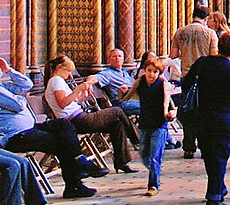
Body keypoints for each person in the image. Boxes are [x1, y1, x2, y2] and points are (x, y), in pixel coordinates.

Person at [0, 57, 102, 200]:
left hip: (31, 127)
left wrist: (8, 70)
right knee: (61, 142)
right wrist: (22, 99)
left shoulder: (4, 87)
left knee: (63, 125)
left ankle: (79, 161)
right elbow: (18, 105)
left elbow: (27, 85)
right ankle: (75, 182)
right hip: (16, 135)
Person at [181, 29, 230, 205]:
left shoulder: (202, 63)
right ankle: (214, 196)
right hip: (224, 115)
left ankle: (218, 187)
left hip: (202, 114)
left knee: (209, 154)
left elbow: (186, 82)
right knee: (220, 154)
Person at [43, 57, 138, 175]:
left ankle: (121, 162)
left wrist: (81, 96)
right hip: (77, 120)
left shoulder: (57, 81)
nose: (68, 76)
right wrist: (77, 90)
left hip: (78, 116)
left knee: (117, 124)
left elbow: (70, 101)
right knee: (117, 111)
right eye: (68, 72)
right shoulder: (55, 80)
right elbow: (62, 103)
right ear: (59, 68)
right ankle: (137, 139)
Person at [125, 53, 175, 197]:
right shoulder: (140, 82)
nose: (151, 74)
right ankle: (155, 170)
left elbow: (170, 105)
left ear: (159, 73)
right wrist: (122, 92)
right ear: (144, 70)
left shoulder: (163, 85)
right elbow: (129, 95)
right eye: (149, 71)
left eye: (155, 72)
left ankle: (153, 184)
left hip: (159, 124)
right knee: (144, 154)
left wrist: (170, 114)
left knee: (155, 156)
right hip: (145, 123)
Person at [170, 9, 218, 159]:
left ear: (192, 16)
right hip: (205, 76)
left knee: (189, 111)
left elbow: (173, 55)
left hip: (187, 76)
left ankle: (189, 146)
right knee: (204, 112)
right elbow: (214, 55)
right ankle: (204, 146)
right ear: (206, 18)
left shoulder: (180, 32)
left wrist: (187, 53)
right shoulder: (210, 33)